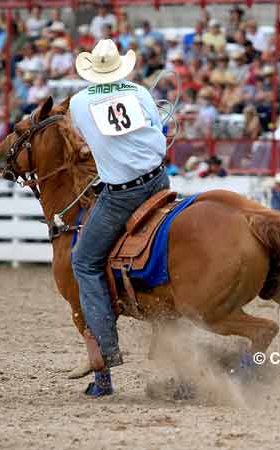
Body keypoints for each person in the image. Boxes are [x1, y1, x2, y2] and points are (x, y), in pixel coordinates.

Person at [69, 39, 169, 397]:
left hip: (123, 194)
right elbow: (159, 130)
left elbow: (83, 142)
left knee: (83, 261)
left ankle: (106, 355)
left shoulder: (80, 102)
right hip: (159, 179)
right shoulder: (141, 91)